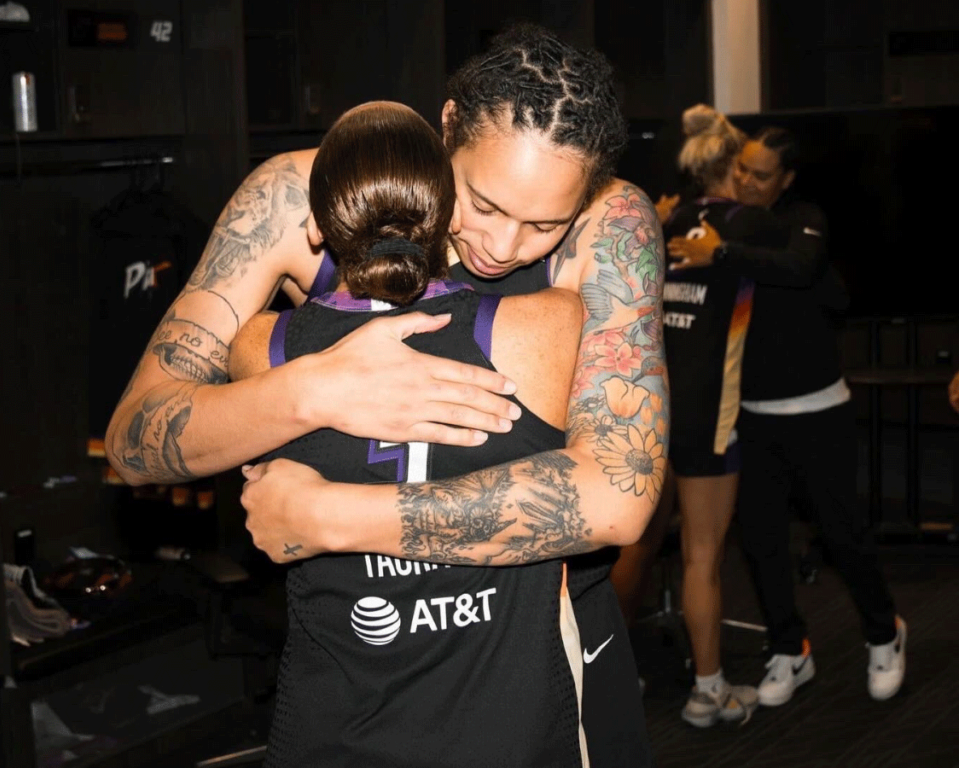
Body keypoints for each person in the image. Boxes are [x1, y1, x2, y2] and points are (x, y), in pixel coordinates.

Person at [106, 24, 664, 768]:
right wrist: (314, 390)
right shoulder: (296, 199)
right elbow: (135, 438)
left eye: (543, 226)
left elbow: (617, 494)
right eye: (483, 204)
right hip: (355, 665)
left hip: (540, 657)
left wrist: (330, 516)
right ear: (446, 130)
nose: (502, 247)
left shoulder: (612, 225)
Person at [237, 99, 593, 766]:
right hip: (505, 733)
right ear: (446, 215)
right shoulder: (548, 325)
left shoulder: (261, 347)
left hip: (338, 733)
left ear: (316, 226)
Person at [658, 125, 906, 706]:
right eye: (741, 169)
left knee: (843, 536)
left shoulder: (800, 219)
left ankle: (884, 633)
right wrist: (665, 216)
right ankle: (789, 650)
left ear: (787, 180)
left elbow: (800, 268)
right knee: (763, 542)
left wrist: (716, 252)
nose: (746, 180)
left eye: (761, 174)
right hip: (750, 414)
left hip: (818, 410)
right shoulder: (727, 221)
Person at [610, 104, 788, 728]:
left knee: (636, 542)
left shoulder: (669, 218)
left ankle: (605, 675)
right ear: (733, 168)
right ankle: (708, 691)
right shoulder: (753, 223)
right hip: (711, 412)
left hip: (652, 407)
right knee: (702, 555)